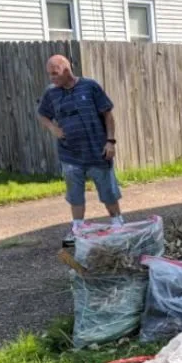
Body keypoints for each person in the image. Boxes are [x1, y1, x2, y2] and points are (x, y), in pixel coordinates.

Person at [37, 55, 123, 245]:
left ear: (66, 71)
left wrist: (110, 142)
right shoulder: (51, 93)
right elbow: (42, 114)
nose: (52, 78)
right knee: (75, 194)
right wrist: (53, 128)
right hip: (70, 154)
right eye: (49, 74)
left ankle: (117, 224)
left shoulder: (90, 86)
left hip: (97, 151)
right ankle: (77, 228)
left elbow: (108, 114)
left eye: (55, 74)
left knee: (108, 191)